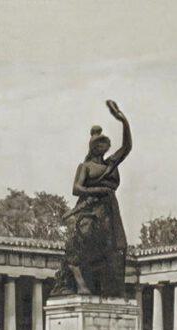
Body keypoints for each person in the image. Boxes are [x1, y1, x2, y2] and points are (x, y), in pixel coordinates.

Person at [52, 100, 131, 298]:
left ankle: (108, 288)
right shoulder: (85, 166)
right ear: (93, 147)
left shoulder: (111, 164)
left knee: (114, 247)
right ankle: (79, 282)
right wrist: (97, 191)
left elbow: (127, 147)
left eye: (105, 143)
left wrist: (123, 121)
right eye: (99, 144)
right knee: (83, 239)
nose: (103, 146)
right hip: (90, 207)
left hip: (110, 208)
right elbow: (76, 188)